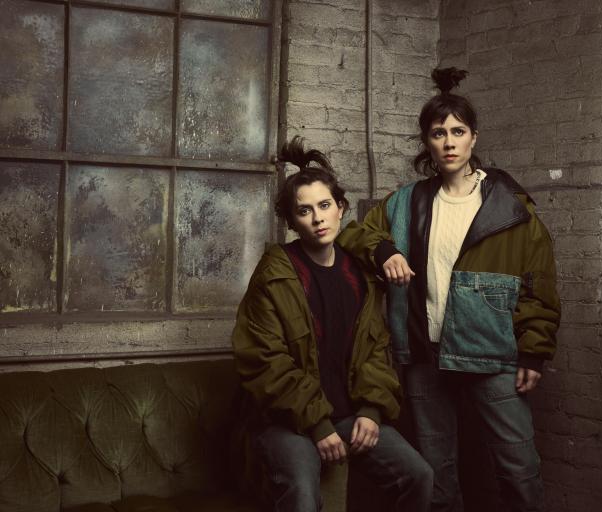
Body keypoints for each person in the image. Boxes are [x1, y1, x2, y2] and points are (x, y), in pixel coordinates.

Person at [337, 68, 561, 511]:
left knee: (518, 469)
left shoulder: (508, 207)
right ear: (427, 142)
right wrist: (384, 251)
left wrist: (534, 350)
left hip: (493, 352)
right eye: (439, 133)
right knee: (437, 472)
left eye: (458, 131)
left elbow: (539, 280)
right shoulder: (407, 202)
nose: (449, 141)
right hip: (426, 354)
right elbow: (353, 234)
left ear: (474, 137)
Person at [231, 136, 433, 512]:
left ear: (340, 208)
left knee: (418, 475)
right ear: (291, 220)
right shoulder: (275, 273)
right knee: (304, 496)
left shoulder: (359, 271)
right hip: (286, 421)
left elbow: (374, 349)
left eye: (325, 205)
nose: (318, 218)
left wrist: (372, 412)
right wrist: (318, 426)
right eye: (304, 211)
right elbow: (265, 361)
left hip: (350, 414)